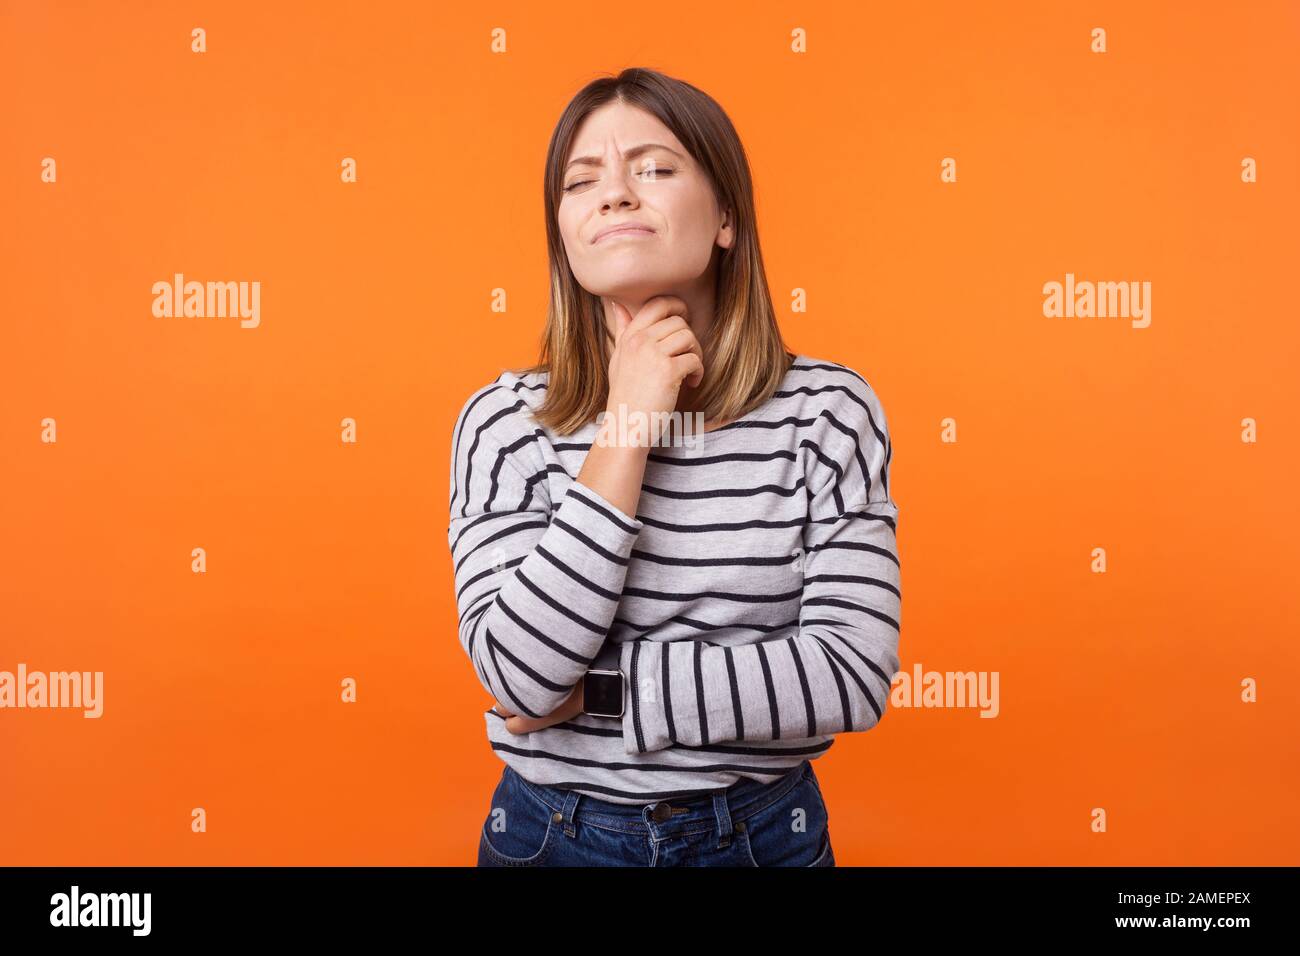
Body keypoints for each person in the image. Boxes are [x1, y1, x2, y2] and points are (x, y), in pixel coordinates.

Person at [447, 67, 901, 866]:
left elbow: (851, 672)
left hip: (764, 839)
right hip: (551, 840)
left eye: (653, 168)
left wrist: (605, 695)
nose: (615, 195)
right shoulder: (503, 421)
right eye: (581, 182)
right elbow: (521, 677)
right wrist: (626, 425)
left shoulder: (828, 412)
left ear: (726, 216)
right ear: (564, 230)